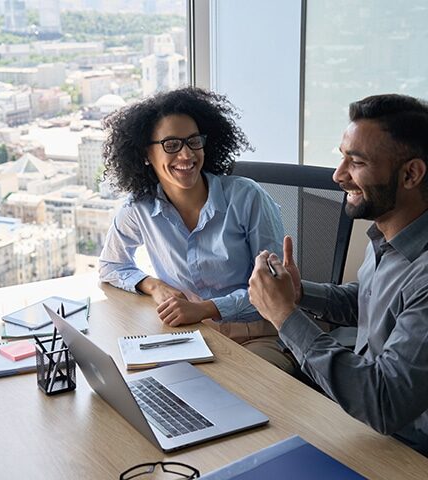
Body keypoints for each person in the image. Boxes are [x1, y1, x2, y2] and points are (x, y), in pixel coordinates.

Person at [248, 93, 428, 455]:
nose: (338, 175)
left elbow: (385, 403)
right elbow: (371, 302)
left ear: (411, 174)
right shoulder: (387, 237)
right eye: (342, 156)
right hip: (364, 424)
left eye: (356, 162)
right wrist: (299, 293)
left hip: (408, 448)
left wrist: (285, 317)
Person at [99, 87, 296, 373]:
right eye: (171, 144)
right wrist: (154, 286)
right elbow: (111, 266)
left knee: (234, 393)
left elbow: (278, 291)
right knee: (148, 386)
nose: (186, 154)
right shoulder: (139, 208)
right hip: (191, 336)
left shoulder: (246, 197)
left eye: (193, 141)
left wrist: (206, 309)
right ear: (145, 154)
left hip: (259, 335)